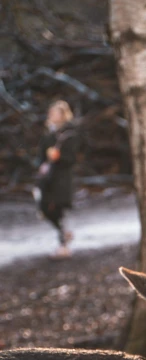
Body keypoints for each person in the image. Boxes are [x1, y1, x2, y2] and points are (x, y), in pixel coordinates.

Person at [34, 100, 78, 258]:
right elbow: (40, 156)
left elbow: (72, 158)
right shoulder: (48, 135)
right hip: (48, 180)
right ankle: (64, 235)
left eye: (55, 113)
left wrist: (59, 157)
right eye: (51, 113)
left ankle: (63, 245)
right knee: (44, 208)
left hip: (61, 180)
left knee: (58, 210)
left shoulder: (69, 134)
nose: (52, 116)